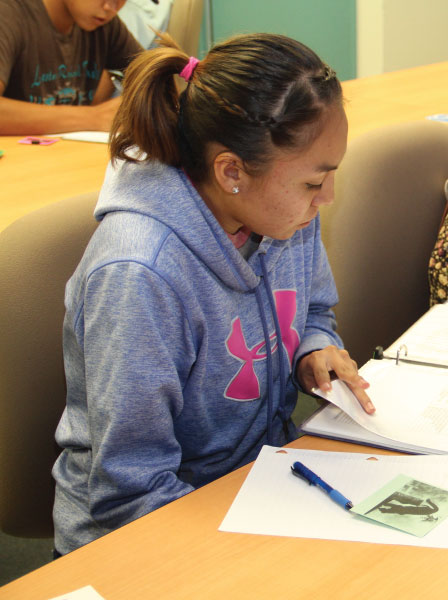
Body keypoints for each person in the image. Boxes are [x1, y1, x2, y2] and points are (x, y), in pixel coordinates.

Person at [51, 32, 374, 556]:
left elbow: (313, 307)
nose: (328, 198)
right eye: (315, 183)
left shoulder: (285, 213)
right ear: (231, 172)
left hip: (258, 486)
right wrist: (247, 556)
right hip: (141, 536)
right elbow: (131, 488)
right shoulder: (140, 275)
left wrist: (313, 346)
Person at [0, 0, 143, 134]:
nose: (111, 7)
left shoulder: (105, 25)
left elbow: (156, 78)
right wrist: (94, 118)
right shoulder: (8, 13)